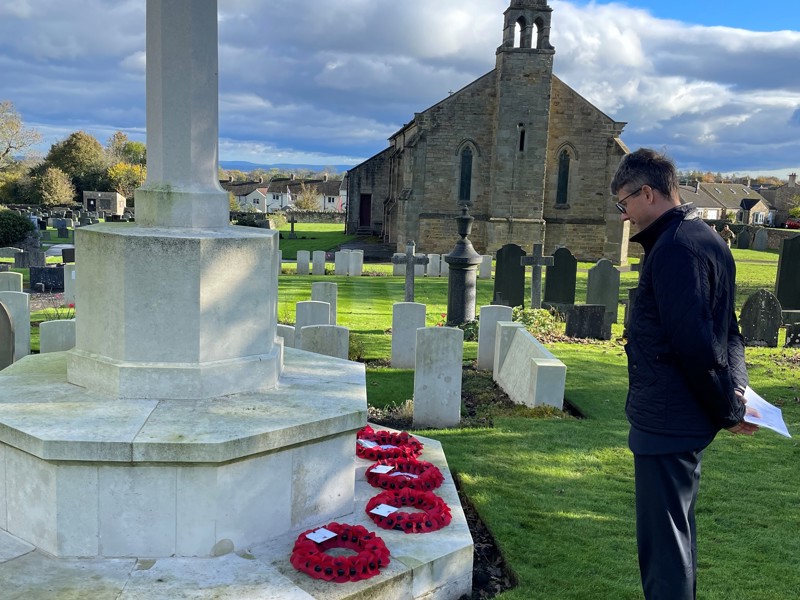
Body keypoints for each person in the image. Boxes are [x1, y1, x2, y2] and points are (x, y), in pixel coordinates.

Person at [610, 148, 758, 600]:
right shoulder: (707, 239)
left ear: (648, 192)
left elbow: (696, 343)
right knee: (678, 536)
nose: (624, 216)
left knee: (665, 552)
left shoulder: (674, 249)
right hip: (681, 419)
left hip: (668, 421)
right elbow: (728, 332)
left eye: (625, 204)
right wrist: (738, 389)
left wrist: (731, 406)